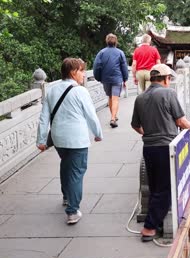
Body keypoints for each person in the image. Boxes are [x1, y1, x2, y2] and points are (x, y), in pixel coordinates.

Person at [131, 64, 190, 241]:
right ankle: (149, 227)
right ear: (166, 78)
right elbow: (180, 120)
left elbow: (135, 125)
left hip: (149, 148)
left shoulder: (140, 98)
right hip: (166, 148)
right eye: (169, 79)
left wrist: (148, 134)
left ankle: (158, 222)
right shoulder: (168, 93)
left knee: (155, 187)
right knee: (165, 189)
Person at [37, 58, 103, 224]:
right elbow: (91, 116)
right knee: (76, 172)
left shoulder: (52, 90)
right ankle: (72, 211)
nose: (83, 75)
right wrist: (98, 133)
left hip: (59, 138)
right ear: (73, 72)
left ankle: (67, 196)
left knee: (66, 164)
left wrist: (41, 140)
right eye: (81, 71)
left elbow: (44, 117)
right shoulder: (80, 91)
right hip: (77, 139)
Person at [93, 33, 128, 128]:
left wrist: (98, 77)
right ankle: (113, 118)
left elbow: (96, 67)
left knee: (110, 97)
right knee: (115, 97)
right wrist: (125, 79)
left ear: (106, 41)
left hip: (106, 79)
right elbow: (124, 67)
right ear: (116, 42)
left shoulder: (101, 53)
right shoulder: (120, 52)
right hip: (117, 78)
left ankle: (113, 116)